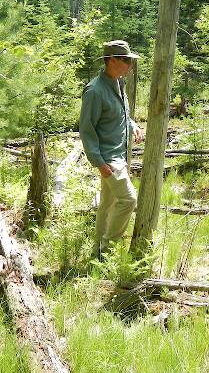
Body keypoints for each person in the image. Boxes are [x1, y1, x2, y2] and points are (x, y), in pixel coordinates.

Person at [79, 40, 144, 259]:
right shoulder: (94, 91)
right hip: (109, 160)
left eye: (131, 61)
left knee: (107, 204)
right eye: (126, 61)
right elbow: (86, 130)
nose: (130, 65)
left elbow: (119, 115)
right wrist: (99, 163)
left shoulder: (117, 83)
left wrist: (132, 124)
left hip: (119, 156)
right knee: (128, 200)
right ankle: (109, 250)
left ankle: (98, 252)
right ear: (112, 61)